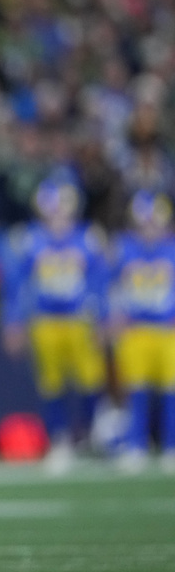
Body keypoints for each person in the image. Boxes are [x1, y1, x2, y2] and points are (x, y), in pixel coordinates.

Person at [1, 177, 109, 473]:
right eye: (53, 208)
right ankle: (59, 438)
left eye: (63, 208)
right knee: (51, 384)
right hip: (45, 320)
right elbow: (16, 286)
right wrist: (13, 322)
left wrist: (103, 317)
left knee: (91, 380)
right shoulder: (30, 239)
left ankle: (88, 430)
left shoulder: (87, 238)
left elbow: (100, 283)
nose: (58, 214)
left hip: (79, 319)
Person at [106, 190, 175, 474]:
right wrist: (113, 316)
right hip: (135, 329)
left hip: (167, 328)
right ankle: (136, 445)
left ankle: (171, 446)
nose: (149, 226)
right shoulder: (124, 248)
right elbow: (109, 285)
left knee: (170, 391)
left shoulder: (171, 249)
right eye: (144, 221)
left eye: (154, 220)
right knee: (137, 391)